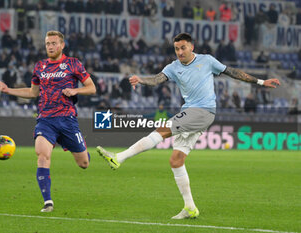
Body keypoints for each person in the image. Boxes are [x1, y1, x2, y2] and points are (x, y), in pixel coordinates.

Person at [96, 33, 280, 219]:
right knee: (176, 160)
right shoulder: (173, 67)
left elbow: (232, 72)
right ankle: (190, 207)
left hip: (203, 111)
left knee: (162, 130)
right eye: (176, 49)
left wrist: (262, 82)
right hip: (190, 112)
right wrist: (141, 80)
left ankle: (119, 157)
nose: (180, 52)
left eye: (183, 48)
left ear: (192, 47)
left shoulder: (207, 61)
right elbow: (157, 79)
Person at [0, 31, 96, 212]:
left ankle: (83, 151)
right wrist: (9, 90)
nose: (50, 47)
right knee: (42, 156)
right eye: (47, 44)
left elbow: (92, 88)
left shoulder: (73, 63)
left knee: (84, 163)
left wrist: (76, 91)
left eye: (53, 43)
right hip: (45, 120)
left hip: (67, 120)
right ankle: (48, 201)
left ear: (62, 45)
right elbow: (33, 93)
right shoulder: (40, 66)